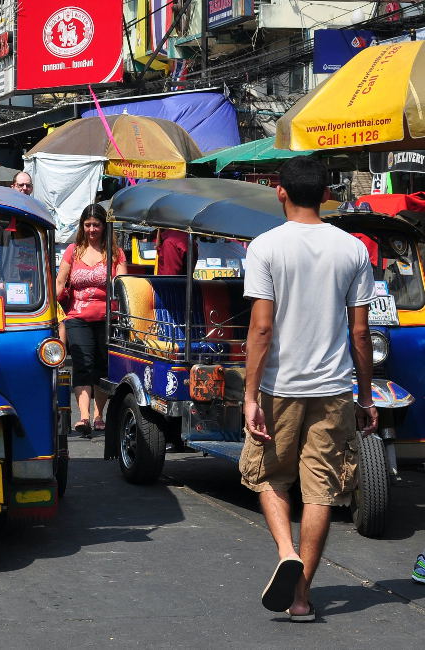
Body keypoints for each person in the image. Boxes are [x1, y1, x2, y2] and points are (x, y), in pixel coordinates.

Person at [240, 156, 376, 621]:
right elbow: (361, 333)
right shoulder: (353, 249)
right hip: (334, 389)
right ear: (326, 195)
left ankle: (285, 551)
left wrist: (250, 396)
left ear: (280, 191)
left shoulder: (264, 247)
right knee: (320, 490)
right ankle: (301, 598)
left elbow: (260, 329)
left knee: (267, 475)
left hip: (280, 385)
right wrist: (365, 395)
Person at [55, 204, 126, 437]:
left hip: (108, 319)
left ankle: (99, 416)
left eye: (96, 225)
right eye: (88, 225)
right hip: (77, 317)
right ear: (82, 226)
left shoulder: (115, 253)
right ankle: (84, 417)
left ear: (104, 226)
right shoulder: (72, 251)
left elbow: (124, 285)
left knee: (102, 365)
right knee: (83, 364)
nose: (92, 229)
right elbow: (60, 282)